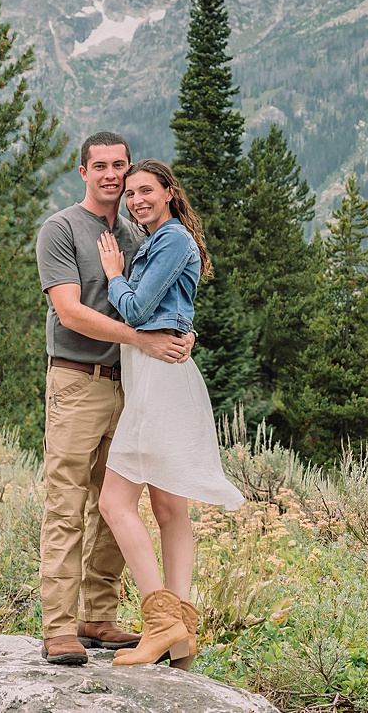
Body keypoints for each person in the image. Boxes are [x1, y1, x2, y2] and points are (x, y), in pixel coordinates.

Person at [35, 133, 197, 666]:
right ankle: (59, 627)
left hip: (131, 385)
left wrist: (180, 332)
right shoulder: (61, 229)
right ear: (83, 171)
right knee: (65, 503)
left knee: (113, 507)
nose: (111, 176)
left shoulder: (139, 233)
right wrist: (143, 340)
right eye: (100, 166)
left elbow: (164, 295)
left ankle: (98, 616)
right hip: (78, 381)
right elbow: (71, 312)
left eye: (119, 167)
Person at [95, 160, 244, 670]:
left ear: (168, 192)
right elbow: (171, 307)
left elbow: (136, 312)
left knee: (115, 501)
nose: (136, 200)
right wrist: (185, 327)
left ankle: (161, 623)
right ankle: (180, 633)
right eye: (130, 193)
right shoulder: (164, 239)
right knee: (167, 508)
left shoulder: (173, 239)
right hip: (158, 373)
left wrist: (114, 275)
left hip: (158, 380)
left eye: (145, 190)